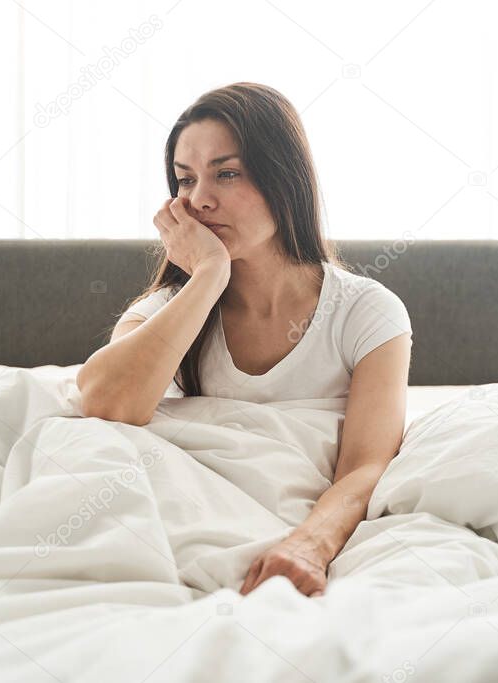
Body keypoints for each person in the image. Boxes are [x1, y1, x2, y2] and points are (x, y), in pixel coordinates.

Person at [76, 82, 413, 599]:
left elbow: (367, 466)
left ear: (285, 180)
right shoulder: (173, 308)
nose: (200, 200)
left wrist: (309, 546)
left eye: (226, 173)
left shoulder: (365, 313)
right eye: (185, 181)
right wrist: (209, 275)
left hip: (287, 528)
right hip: (179, 524)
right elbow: (104, 403)